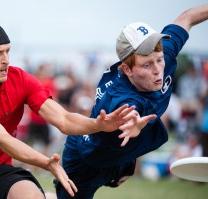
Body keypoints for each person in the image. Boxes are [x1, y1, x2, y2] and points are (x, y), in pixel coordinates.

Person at [0, 20, 155, 199]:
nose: (6, 59)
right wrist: (45, 162)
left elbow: (63, 119)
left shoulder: (20, 80)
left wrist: (99, 125)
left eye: (7, 51)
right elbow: (0, 139)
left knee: (31, 195)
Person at [55, 3, 208, 199]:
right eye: (147, 65)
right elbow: (128, 114)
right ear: (126, 70)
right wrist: (133, 125)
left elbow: (187, 17)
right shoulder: (122, 98)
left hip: (121, 151)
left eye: (159, 60)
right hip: (87, 158)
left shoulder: (161, 55)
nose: (157, 70)